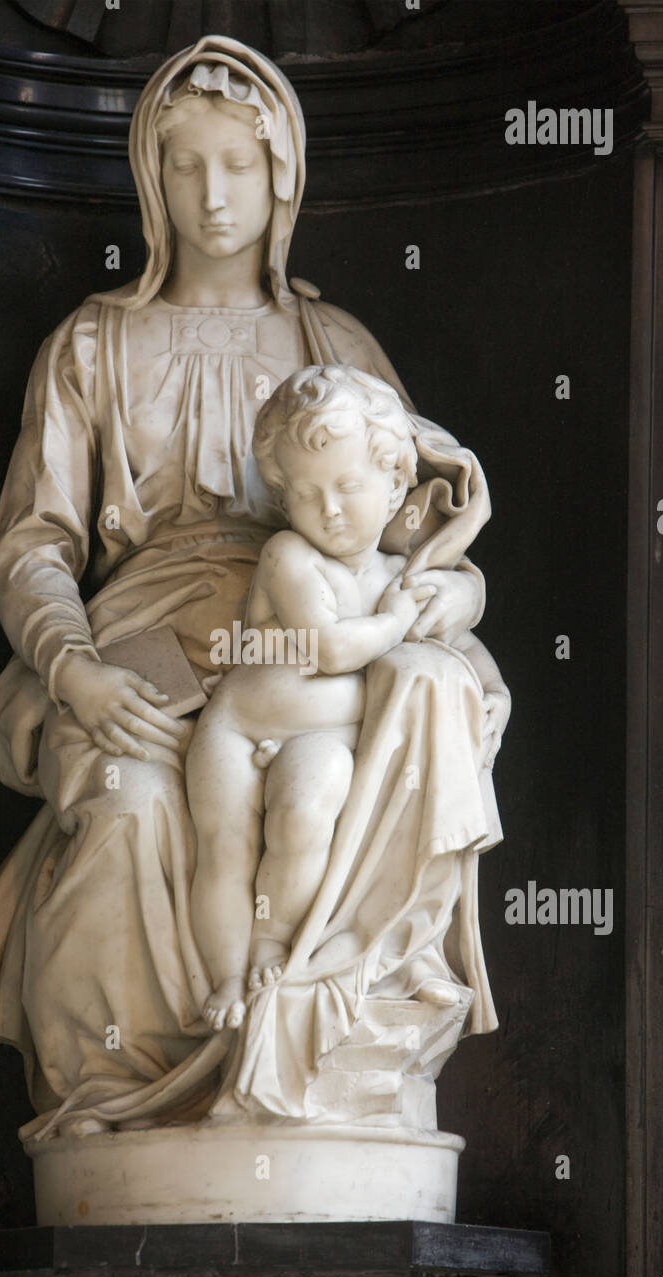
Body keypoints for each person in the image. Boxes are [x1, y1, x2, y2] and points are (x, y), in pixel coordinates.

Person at [0, 36, 497, 1139]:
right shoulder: (93, 346)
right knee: (128, 800)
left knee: (403, 718)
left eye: (239, 166)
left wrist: (453, 594)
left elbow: (417, 513)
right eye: (188, 167)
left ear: (283, 176)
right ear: (152, 182)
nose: (214, 196)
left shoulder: (329, 339)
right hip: (144, 639)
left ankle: (306, 1048)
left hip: (306, 636)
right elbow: (34, 545)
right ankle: (122, 1090)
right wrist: (73, 669)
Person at [188, 365, 509, 1032]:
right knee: (223, 847)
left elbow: (460, 657)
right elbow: (327, 650)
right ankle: (226, 974)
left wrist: (495, 695)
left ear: (396, 486)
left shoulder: (404, 576)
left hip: (321, 739)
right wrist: (394, 622)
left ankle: (283, 944)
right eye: (304, 493)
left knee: (307, 814)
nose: (327, 509)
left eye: (347, 487)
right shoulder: (289, 558)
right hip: (240, 732)